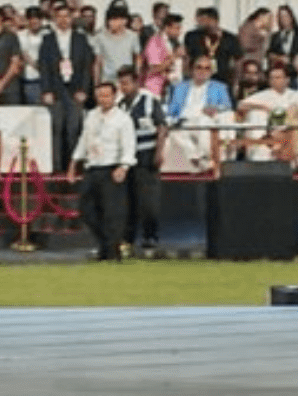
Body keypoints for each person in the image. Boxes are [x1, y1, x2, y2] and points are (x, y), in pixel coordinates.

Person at [67, 81, 136, 261]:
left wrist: (124, 166)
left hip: (112, 167)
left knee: (113, 213)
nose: (103, 99)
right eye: (99, 96)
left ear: (114, 96)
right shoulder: (91, 116)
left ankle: (112, 251)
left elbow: (129, 145)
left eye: (106, 95)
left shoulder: (123, 119)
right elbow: (84, 140)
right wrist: (74, 163)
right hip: (92, 167)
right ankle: (104, 243)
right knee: (86, 209)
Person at [38, 2, 95, 173]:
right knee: (56, 129)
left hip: (75, 90)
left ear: (72, 19)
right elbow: (44, 67)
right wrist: (46, 91)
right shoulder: (47, 40)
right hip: (55, 90)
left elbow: (87, 67)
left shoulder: (81, 39)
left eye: (66, 16)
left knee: (74, 129)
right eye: (59, 17)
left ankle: (74, 167)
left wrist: (84, 90)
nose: (63, 20)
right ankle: (56, 169)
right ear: (54, 19)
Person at [117, 67, 165, 252]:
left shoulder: (149, 101)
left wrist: (158, 152)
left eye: (127, 83)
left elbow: (162, 127)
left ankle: (150, 237)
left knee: (148, 201)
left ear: (136, 83)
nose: (124, 87)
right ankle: (127, 239)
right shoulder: (120, 105)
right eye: (121, 84)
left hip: (146, 154)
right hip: (127, 158)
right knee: (128, 201)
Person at [166, 56, 235, 170]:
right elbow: (171, 111)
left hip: (205, 119)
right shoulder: (179, 87)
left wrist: (215, 109)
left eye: (207, 68)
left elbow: (227, 107)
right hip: (185, 122)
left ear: (211, 72)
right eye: (199, 67)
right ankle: (196, 157)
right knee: (174, 132)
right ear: (192, 70)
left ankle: (204, 157)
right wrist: (172, 120)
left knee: (204, 121)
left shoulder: (219, 87)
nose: (202, 71)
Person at [185, 6, 242, 86]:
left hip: (222, 80)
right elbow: (187, 58)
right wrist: (187, 77)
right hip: (197, 80)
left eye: (201, 20)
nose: (198, 23)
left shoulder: (230, 38)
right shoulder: (192, 36)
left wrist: (236, 82)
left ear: (213, 20)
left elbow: (238, 60)